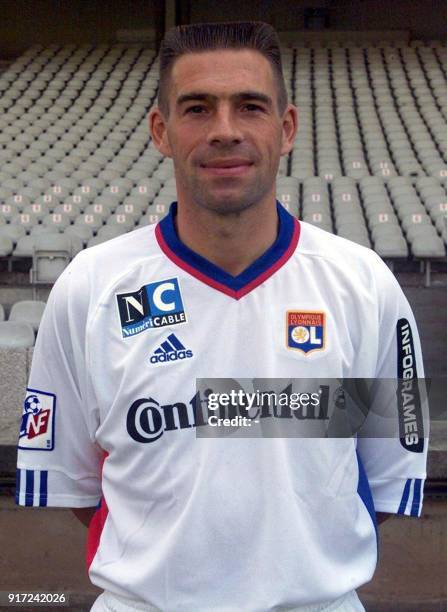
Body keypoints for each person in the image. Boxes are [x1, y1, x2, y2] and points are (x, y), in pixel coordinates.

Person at [16, 21, 428, 612]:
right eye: (198, 108)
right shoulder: (91, 286)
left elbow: (386, 482)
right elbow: (81, 486)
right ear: (161, 130)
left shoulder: (365, 285)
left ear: (285, 129)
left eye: (250, 107)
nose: (226, 131)